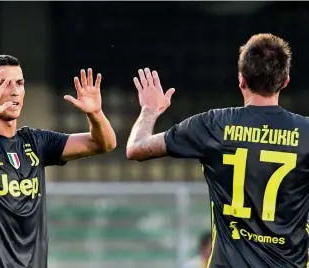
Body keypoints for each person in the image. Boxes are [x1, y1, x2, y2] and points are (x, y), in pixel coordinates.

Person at [126, 33, 309, 267]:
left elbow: (136, 148)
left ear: (241, 79)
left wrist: (150, 110)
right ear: (285, 81)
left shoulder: (214, 125)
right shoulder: (305, 133)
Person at [0, 55, 117, 268]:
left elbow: (103, 144)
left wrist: (96, 114)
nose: (15, 91)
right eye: (5, 84)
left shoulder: (37, 142)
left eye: (20, 83)